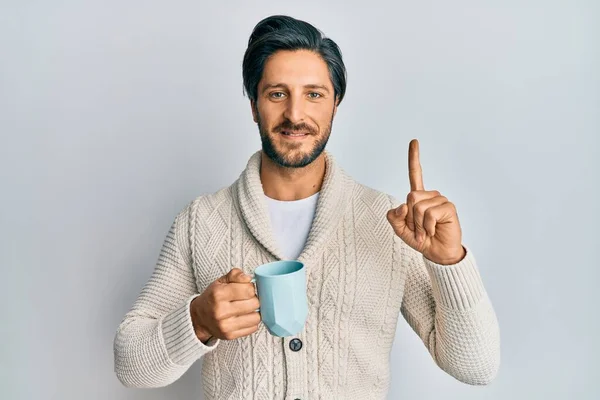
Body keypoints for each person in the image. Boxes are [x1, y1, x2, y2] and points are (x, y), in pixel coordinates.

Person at [113, 14, 500, 399]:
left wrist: (450, 261)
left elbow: (476, 365)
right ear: (253, 105)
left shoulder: (389, 222)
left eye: (314, 94)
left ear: (335, 104)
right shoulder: (202, 221)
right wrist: (198, 320)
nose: (295, 114)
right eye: (277, 94)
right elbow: (131, 364)